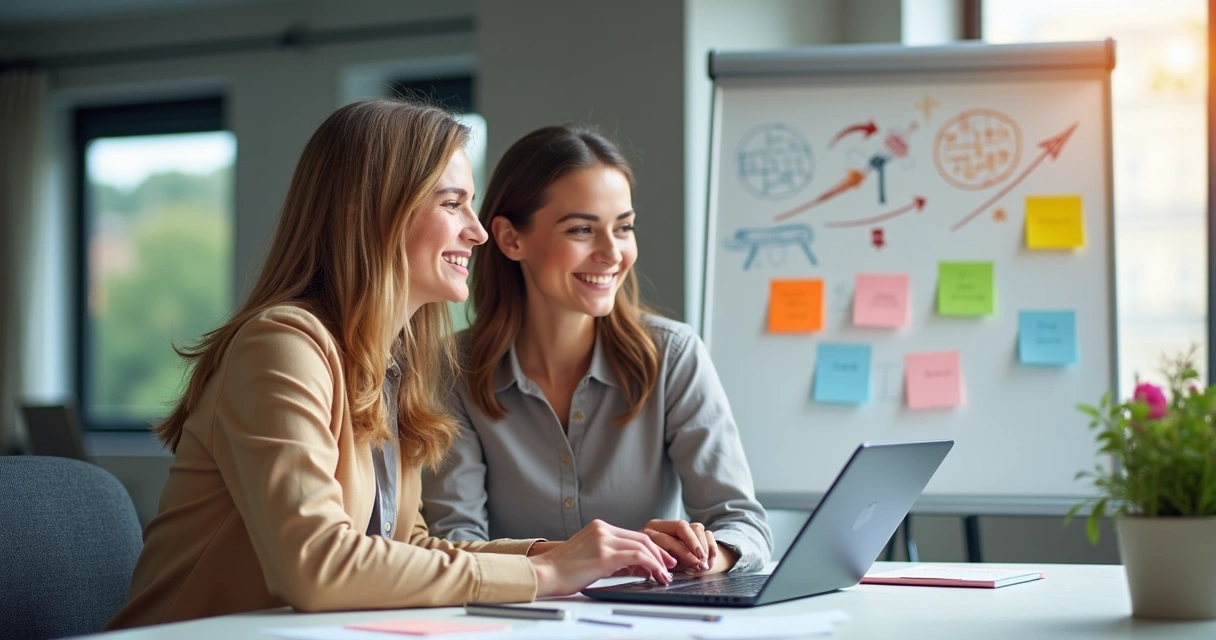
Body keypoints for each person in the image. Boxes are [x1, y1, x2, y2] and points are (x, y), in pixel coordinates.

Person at [106, 102, 676, 631]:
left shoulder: (388, 364)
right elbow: (316, 566)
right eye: (452, 203)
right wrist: (546, 577)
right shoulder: (281, 346)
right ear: (375, 211)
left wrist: (558, 556)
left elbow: (409, 548)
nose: (477, 231)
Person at [422, 124, 772, 575]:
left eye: (623, 228)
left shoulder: (673, 354)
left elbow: (743, 524)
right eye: (583, 230)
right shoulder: (453, 369)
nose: (612, 253)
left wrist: (708, 555)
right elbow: (454, 540)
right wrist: (575, 559)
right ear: (511, 239)